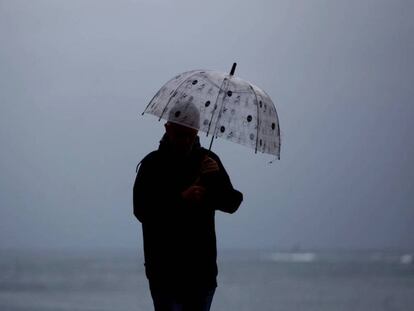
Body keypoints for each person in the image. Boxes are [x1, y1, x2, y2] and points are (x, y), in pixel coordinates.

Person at [133, 102, 243, 311]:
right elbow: (141, 210)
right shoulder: (152, 165)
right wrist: (181, 198)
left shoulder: (209, 161)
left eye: (190, 135)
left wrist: (215, 181)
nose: (184, 141)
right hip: (164, 273)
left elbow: (232, 202)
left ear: (197, 131)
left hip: (202, 273)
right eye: (179, 134)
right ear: (167, 128)